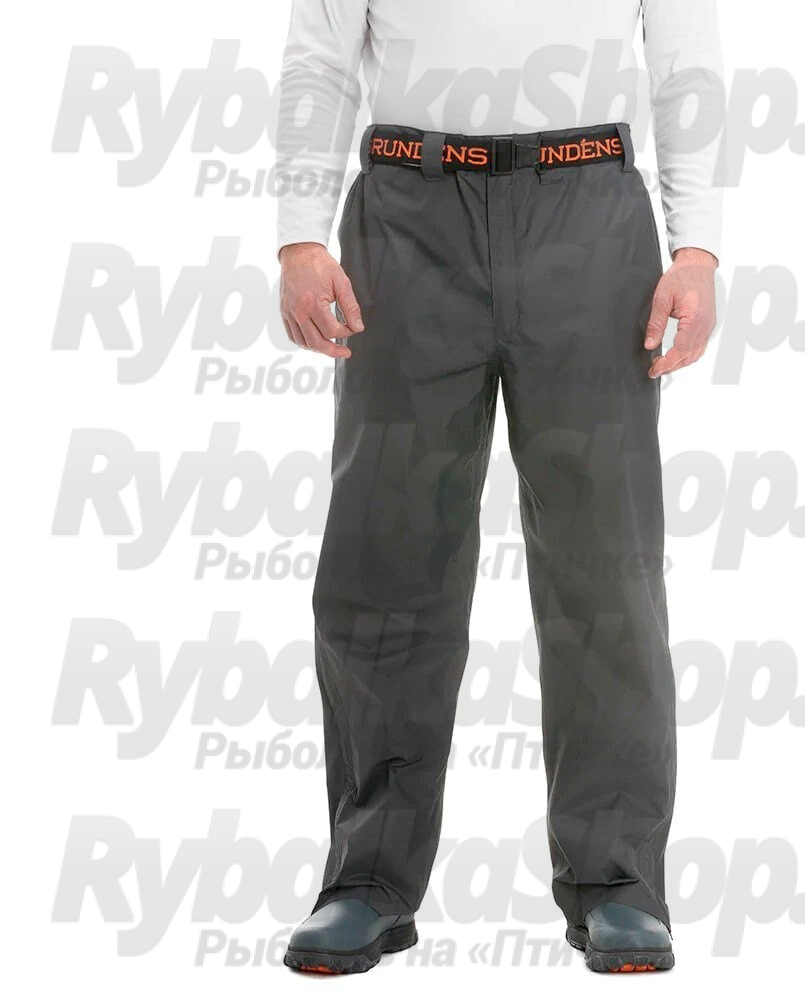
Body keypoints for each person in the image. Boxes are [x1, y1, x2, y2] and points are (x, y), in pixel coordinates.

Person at [275, 0, 722, 975]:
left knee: (603, 569)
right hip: (406, 214)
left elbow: (685, 62)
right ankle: (367, 879)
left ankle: (616, 883)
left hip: (589, 210)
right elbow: (320, 55)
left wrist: (697, 248)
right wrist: (299, 235)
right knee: (385, 555)